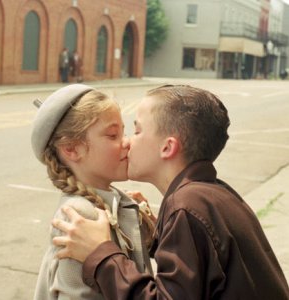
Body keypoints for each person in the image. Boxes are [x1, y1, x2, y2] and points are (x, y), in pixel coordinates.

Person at [52, 84, 289, 300]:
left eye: (136, 131)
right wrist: (157, 236)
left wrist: (101, 253)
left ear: (167, 147)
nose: (127, 143)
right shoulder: (213, 194)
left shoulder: (187, 206)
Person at [31, 84, 154, 299]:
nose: (126, 143)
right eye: (113, 135)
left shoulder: (116, 200)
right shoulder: (80, 216)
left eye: (123, 132)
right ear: (71, 149)